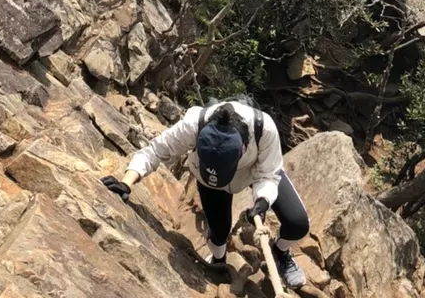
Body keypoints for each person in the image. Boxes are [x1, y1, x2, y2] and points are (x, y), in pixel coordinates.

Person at [102, 100, 309, 288]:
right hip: (209, 180)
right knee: (219, 232)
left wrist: (263, 201)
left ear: (244, 147)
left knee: (297, 224)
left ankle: (281, 252)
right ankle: (218, 261)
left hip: (255, 172)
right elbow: (155, 151)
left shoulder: (264, 130)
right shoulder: (193, 125)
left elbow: (269, 175)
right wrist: (126, 182)